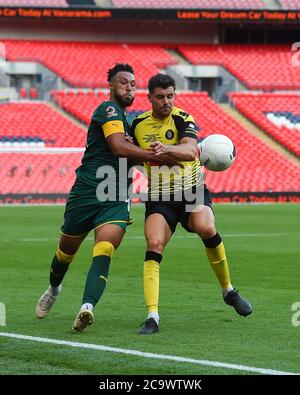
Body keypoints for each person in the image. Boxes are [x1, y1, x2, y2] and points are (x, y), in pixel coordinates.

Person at [35, 64, 177, 333]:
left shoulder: (130, 123)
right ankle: (54, 289)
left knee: (105, 249)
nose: (129, 87)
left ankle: (87, 308)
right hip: (87, 191)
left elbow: (131, 153)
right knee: (65, 253)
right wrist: (155, 155)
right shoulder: (107, 110)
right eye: (123, 82)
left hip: (115, 194)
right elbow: (117, 147)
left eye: (133, 84)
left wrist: (169, 155)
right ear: (111, 86)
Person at [131, 73, 252, 335]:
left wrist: (166, 149)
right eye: (160, 97)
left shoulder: (183, 118)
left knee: (206, 227)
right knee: (154, 244)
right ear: (149, 98)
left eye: (170, 96)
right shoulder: (137, 124)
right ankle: (152, 316)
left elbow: (189, 150)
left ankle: (229, 291)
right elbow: (129, 154)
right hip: (160, 196)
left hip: (191, 190)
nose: (166, 101)